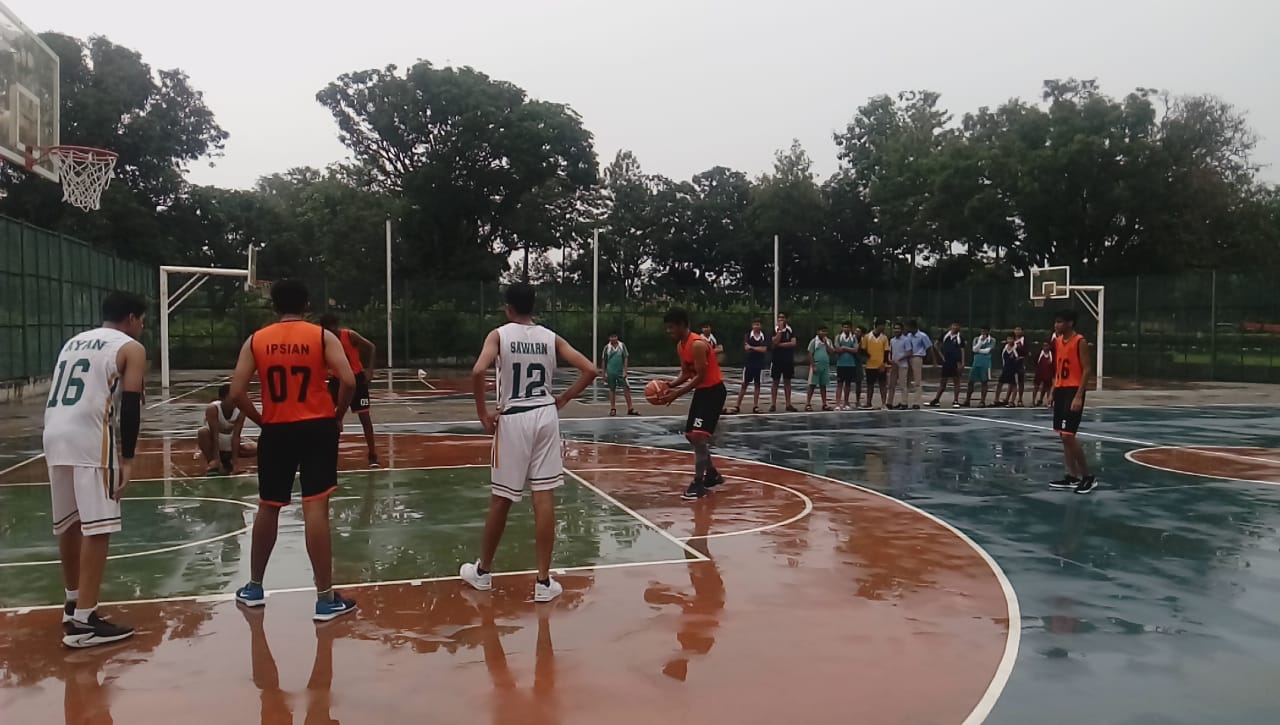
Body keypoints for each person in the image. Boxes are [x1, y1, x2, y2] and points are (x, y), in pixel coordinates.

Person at [230, 279, 358, 621]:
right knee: (315, 507)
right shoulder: (320, 337)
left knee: (268, 506)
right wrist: (337, 415)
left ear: (273, 306)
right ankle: (325, 599)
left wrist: (262, 420)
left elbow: (235, 391)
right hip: (317, 426)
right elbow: (348, 380)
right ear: (307, 306)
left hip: (277, 430)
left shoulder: (257, 340)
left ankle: (255, 587)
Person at [460, 284, 597, 602]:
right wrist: (564, 397)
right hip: (545, 416)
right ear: (533, 307)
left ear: (508, 308)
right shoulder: (551, 337)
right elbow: (590, 369)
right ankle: (543, 581)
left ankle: (483, 573)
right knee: (544, 497)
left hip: (513, 418)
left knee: (502, 499)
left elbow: (478, 370)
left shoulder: (499, 335)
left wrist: (483, 413)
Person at [43, 291, 148, 648]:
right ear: (132, 318)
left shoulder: (73, 342)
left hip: (54, 432)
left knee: (69, 523)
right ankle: (85, 621)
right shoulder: (131, 348)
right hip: (89, 436)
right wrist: (128, 459)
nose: (143, 327)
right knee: (98, 526)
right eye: (142, 320)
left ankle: (73, 603)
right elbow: (130, 406)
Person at [658, 308, 728, 501]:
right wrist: (668, 385)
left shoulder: (697, 344)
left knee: (698, 436)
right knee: (691, 436)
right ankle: (712, 473)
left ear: (681, 325)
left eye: (671, 327)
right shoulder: (681, 345)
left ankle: (699, 483)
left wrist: (676, 394)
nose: (669, 331)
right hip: (703, 391)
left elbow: (701, 377)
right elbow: (687, 373)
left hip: (713, 391)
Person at [318, 314, 379, 468]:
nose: (330, 332)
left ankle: (372, 455)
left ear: (336, 325)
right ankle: (326, 455)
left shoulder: (349, 335)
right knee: (329, 418)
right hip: (337, 382)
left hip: (357, 380)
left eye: (332, 328)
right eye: (326, 329)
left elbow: (371, 347)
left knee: (365, 418)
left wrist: (370, 370)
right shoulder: (323, 341)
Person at [1048, 309, 1096, 494]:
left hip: (1073, 390)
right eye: (1055, 322)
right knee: (1063, 434)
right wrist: (1053, 390)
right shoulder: (1058, 342)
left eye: (1060, 322)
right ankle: (1071, 476)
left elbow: (1087, 369)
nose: (1056, 325)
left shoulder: (1079, 341)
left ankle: (1087, 476)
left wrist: (1079, 395)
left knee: (1069, 435)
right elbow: (1058, 368)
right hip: (1061, 389)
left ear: (1070, 323)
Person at [197, 383, 257, 475]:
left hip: (228, 439)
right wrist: (216, 459)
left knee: (257, 448)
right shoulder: (213, 408)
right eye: (231, 398)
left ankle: (227, 460)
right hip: (214, 439)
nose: (234, 400)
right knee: (202, 432)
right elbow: (215, 435)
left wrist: (235, 463)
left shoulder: (241, 410)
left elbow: (236, 436)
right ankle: (213, 463)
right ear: (222, 398)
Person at [731, 319, 768, 414]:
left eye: (758, 324)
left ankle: (755, 406)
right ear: (752, 326)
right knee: (744, 384)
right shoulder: (748, 336)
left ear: (761, 326)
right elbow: (746, 348)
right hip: (749, 363)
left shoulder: (764, 337)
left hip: (759, 364)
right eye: (755, 324)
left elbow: (763, 349)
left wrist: (752, 348)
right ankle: (737, 405)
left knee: (757, 385)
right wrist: (755, 348)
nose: (756, 326)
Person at [599, 333, 638, 416]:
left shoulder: (621, 346)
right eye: (611, 337)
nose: (613, 338)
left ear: (617, 337)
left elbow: (626, 357)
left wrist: (625, 370)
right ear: (609, 338)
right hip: (611, 371)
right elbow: (603, 360)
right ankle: (613, 408)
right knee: (612, 389)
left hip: (620, 371)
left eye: (614, 337)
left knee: (626, 388)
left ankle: (630, 408)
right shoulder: (607, 348)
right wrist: (603, 373)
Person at [929, 322, 965, 408]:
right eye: (953, 325)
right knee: (943, 382)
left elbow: (962, 350)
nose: (955, 327)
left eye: (956, 325)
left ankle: (956, 400)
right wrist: (941, 356)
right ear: (950, 326)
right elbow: (936, 345)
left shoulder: (960, 338)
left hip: (956, 362)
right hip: (947, 362)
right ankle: (936, 399)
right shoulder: (945, 335)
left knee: (956, 381)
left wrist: (962, 362)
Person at [768, 313, 798, 413]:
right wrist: (780, 331)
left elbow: (793, 343)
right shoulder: (774, 330)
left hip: (788, 359)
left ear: (786, 319)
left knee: (787, 381)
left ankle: (788, 404)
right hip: (776, 359)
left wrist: (780, 345)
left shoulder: (790, 330)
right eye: (779, 318)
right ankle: (773, 404)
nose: (781, 319)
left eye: (783, 318)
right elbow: (774, 342)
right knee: (775, 381)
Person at [805, 325, 835, 412]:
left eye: (825, 331)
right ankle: (808, 403)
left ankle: (824, 404)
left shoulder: (828, 341)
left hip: (825, 365)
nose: (824, 333)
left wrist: (826, 344)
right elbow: (810, 353)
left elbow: (832, 351)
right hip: (816, 365)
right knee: (812, 385)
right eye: (822, 331)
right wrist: (813, 365)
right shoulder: (814, 341)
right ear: (818, 332)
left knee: (823, 385)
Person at [902, 319, 932, 409]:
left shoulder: (922, 336)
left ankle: (917, 402)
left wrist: (931, 360)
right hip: (908, 357)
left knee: (917, 381)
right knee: (906, 380)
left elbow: (929, 347)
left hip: (917, 356)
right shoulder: (908, 336)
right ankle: (904, 402)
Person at [862, 320, 890, 409]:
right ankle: (868, 402)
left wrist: (884, 363)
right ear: (877, 326)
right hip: (870, 365)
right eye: (882, 326)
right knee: (870, 384)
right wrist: (868, 356)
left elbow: (886, 351)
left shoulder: (884, 338)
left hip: (880, 365)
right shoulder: (867, 337)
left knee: (882, 384)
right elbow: (862, 349)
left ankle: (883, 404)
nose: (884, 328)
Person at [964, 326, 995, 407]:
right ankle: (967, 400)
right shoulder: (976, 339)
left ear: (988, 331)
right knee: (971, 381)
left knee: (984, 382)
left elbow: (987, 350)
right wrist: (980, 342)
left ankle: (982, 401)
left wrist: (978, 350)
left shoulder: (992, 340)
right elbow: (974, 349)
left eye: (985, 331)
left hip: (986, 363)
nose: (983, 333)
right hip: (976, 362)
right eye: (982, 331)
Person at [834, 322, 861, 411]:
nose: (846, 329)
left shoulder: (853, 338)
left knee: (848, 384)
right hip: (841, 364)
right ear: (842, 328)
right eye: (844, 327)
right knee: (839, 384)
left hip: (851, 364)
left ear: (850, 328)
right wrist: (849, 349)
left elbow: (856, 350)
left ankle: (846, 402)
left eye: (848, 327)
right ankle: (838, 403)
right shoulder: (838, 337)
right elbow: (837, 349)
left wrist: (844, 348)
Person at [887, 322, 910, 410]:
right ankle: (889, 402)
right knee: (891, 384)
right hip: (893, 365)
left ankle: (904, 403)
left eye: (898, 328)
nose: (896, 330)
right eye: (895, 328)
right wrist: (890, 359)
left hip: (903, 365)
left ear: (902, 330)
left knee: (903, 385)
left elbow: (909, 352)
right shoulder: (892, 340)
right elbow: (890, 351)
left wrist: (900, 359)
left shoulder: (906, 340)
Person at [996, 333, 1021, 406]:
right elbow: (1002, 358)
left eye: (1011, 339)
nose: (1010, 340)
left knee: (1013, 385)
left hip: (1013, 370)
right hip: (1005, 368)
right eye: (1008, 339)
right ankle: (996, 400)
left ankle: (1012, 401)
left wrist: (1018, 368)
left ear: (1014, 339)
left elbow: (1019, 358)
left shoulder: (1017, 348)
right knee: (999, 383)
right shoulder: (1005, 348)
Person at [1032, 340, 1055, 406]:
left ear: (1050, 346)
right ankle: (1033, 401)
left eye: (1047, 346)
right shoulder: (1039, 354)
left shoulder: (1052, 355)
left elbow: (1054, 364)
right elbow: (1035, 363)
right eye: (1044, 346)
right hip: (1039, 373)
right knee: (1036, 387)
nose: (1045, 347)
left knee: (1048, 388)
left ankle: (1048, 401)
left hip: (1048, 374)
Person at [1013, 325, 1030, 407]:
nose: (1017, 331)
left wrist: (1023, 362)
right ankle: (1011, 399)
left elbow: (1027, 353)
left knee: (1020, 382)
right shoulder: (1011, 340)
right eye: (1016, 329)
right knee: (1011, 382)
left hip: (1020, 363)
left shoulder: (1024, 341)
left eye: (1019, 329)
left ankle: (1020, 399)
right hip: (1012, 363)